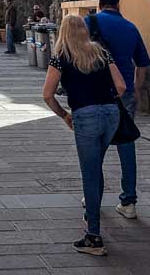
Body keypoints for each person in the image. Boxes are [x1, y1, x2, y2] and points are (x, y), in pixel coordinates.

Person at [42, 15, 127, 256]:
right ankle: (92, 212)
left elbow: (47, 94)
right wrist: (106, 99)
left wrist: (64, 115)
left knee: (89, 173)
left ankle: (94, 237)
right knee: (96, 165)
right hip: (110, 113)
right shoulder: (101, 52)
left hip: (84, 115)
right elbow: (120, 86)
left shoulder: (61, 57)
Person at [85, 0, 150, 218]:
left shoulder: (90, 22)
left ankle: (93, 194)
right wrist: (137, 89)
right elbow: (142, 63)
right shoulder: (131, 27)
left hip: (96, 90)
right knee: (126, 143)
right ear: (118, 6)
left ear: (101, 4)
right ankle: (129, 201)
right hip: (125, 93)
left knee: (95, 146)